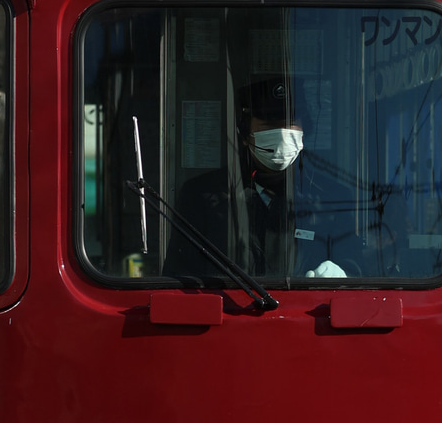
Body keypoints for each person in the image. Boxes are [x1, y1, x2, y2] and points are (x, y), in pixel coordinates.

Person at [165, 77, 398, 284]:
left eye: (289, 125)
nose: (282, 135)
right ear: (245, 135)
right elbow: (177, 276)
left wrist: (345, 272)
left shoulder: (331, 197)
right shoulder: (202, 195)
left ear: (305, 130)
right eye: (269, 126)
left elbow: (355, 262)